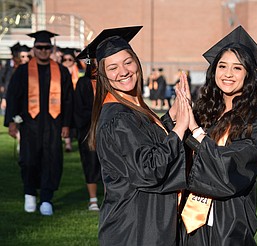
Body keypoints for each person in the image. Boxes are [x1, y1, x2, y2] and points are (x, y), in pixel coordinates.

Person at [76, 26, 189, 245]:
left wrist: (170, 117)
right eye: (113, 67)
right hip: (134, 226)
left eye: (128, 62)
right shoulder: (118, 118)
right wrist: (179, 128)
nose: (124, 71)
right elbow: (149, 168)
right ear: (102, 75)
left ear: (137, 62)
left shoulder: (127, 108)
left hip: (140, 220)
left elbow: (143, 142)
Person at [180, 25, 257, 245]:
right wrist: (176, 114)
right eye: (222, 66)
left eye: (237, 68)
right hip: (190, 217)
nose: (228, 74)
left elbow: (229, 168)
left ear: (249, 74)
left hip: (228, 218)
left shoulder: (253, 121)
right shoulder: (204, 112)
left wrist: (196, 132)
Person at [4, 30, 74, 216]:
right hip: (29, 124)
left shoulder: (61, 71)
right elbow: (13, 97)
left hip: (53, 125)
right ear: (34, 49)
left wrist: (67, 124)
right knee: (28, 160)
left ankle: (46, 199)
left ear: (51, 49)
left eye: (46, 47)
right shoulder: (23, 71)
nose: (43, 51)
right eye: (40, 47)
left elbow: (68, 100)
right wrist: (12, 121)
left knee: (51, 161)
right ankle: (29, 193)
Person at [73, 59, 101, 211]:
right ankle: (93, 199)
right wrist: (97, 115)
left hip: (107, 129)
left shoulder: (108, 83)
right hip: (88, 130)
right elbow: (78, 109)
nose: (97, 68)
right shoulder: (83, 83)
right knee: (90, 163)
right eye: (94, 64)